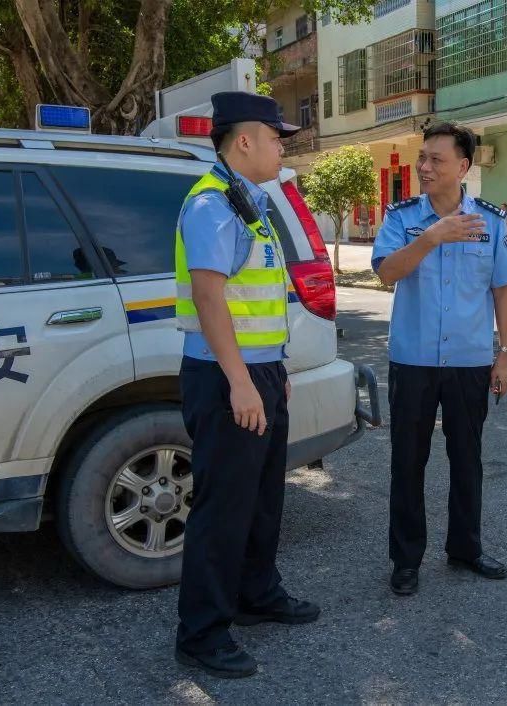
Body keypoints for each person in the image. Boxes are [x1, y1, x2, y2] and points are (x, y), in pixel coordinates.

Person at [173, 91, 320, 679]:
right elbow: (210, 299)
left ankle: (256, 592)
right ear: (243, 141)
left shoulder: (247, 202)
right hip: (223, 375)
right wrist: (240, 381)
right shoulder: (211, 205)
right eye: (275, 134)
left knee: (262, 497)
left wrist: (269, 372)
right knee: (224, 505)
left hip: (258, 371)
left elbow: (252, 298)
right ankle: (202, 633)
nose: (282, 144)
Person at [372, 122, 507, 596]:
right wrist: (431, 237)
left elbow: (503, 288)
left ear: (463, 166)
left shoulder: (491, 222)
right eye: (423, 158)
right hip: (413, 360)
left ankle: (466, 548)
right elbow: (385, 273)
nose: (425, 167)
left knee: (467, 458)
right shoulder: (401, 218)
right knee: (407, 461)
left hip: (469, 360)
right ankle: (406, 558)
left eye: (436, 159)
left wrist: (504, 354)